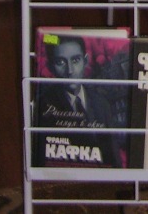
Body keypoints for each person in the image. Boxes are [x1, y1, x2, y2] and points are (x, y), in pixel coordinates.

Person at [37, 34, 117, 164]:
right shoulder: (43, 105)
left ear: (85, 61)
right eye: (60, 62)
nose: (70, 70)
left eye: (75, 60)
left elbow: (113, 158)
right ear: (50, 66)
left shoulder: (101, 104)